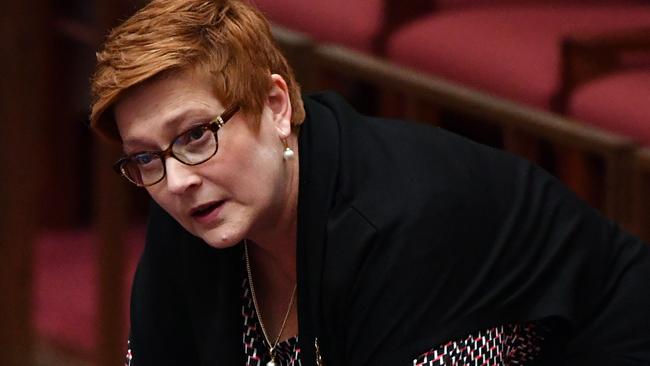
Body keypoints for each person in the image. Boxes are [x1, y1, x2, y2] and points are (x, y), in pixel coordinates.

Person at [89, 0, 650, 365]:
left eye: (194, 135)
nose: (177, 180)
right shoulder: (188, 201)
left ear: (276, 105)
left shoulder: (404, 224)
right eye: (144, 158)